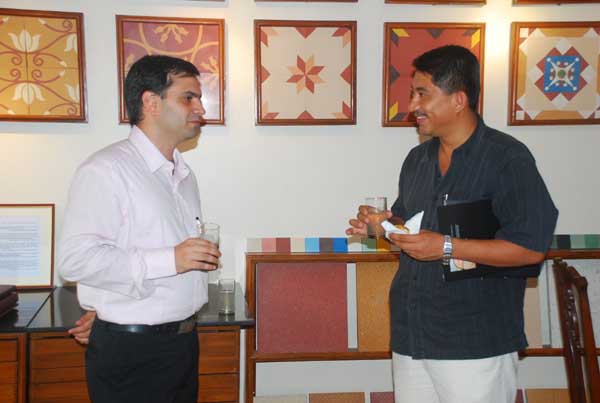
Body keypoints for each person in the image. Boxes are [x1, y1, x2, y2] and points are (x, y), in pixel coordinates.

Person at [346, 45, 558, 403]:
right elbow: (411, 228)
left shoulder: (507, 159)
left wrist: (446, 246)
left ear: (459, 99)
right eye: (412, 94)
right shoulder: (417, 160)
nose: (412, 105)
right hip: (412, 336)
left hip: (475, 342)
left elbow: (531, 247)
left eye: (422, 94)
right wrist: (382, 228)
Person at [58, 55, 221, 403]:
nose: (200, 108)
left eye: (198, 98)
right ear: (151, 102)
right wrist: (172, 259)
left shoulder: (184, 175)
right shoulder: (105, 170)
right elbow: (75, 260)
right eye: (188, 97)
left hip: (182, 345)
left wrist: (108, 306)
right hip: (133, 353)